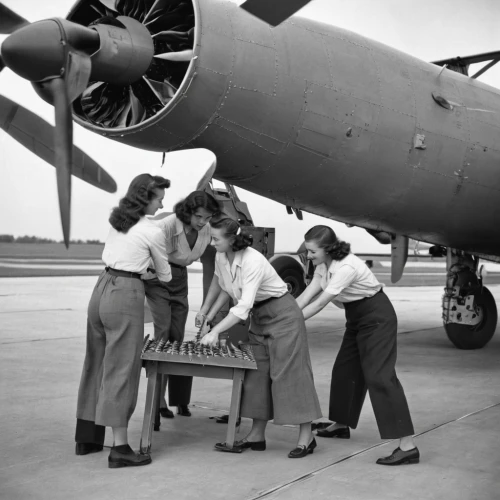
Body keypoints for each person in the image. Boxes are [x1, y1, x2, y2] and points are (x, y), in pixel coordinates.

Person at [198, 217, 322, 458]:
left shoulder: (253, 260)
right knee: (256, 375)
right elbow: (223, 285)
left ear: (232, 239)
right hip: (260, 318)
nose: (212, 243)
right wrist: (207, 315)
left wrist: (215, 332)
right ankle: (256, 435)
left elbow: (243, 306)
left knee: (290, 375)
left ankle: (307, 437)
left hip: (283, 315)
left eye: (215, 238)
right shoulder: (222, 256)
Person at [296, 225, 419, 466]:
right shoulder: (323, 263)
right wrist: (288, 313)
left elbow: (320, 303)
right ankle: (341, 424)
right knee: (345, 370)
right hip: (355, 317)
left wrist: (290, 323)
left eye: (311, 252)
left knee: (380, 377)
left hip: (376, 317)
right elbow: (309, 292)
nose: (307, 256)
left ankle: (408, 445)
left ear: (328, 248)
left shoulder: (346, 266)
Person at [75, 174, 172, 469]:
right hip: (126, 294)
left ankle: (87, 437)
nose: (163, 202)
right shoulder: (152, 230)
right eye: (158, 198)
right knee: (122, 369)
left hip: (101, 288)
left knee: (97, 363)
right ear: (145, 199)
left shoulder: (118, 222)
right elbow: (165, 275)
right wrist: (149, 274)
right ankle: (119, 448)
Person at [143, 191, 220, 418]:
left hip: (180, 279)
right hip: (157, 278)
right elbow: (145, 252)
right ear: (187, 212)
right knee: (162, 337)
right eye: (199, 217)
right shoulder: (165, 226)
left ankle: (180, 400)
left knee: (178, 341)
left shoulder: (206, 229)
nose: (203, 222)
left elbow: (223, 240)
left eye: (207, 218)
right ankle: (158, 403)